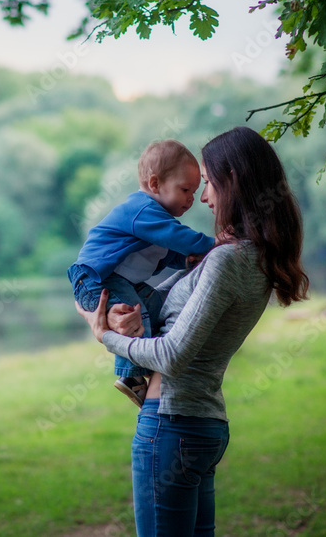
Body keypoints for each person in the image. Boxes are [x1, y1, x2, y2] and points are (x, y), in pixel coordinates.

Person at [76, 126, 309, 537]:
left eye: (208, 183)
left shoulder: (226, 260)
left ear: (232, 182)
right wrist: (119, 317)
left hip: (172, 425)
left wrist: (107, 337)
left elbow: (171, 356)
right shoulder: (253, 257)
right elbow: (160, 302)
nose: (203, 197)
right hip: (203, 425)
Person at [68, 139, 217, 407]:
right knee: (137, 313)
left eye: (194, 191)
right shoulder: (142, 210)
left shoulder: (154, 219)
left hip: (119, 281)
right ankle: (132, 376)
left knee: (157, 306)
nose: (192, 199)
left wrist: (188, 259)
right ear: (155, 184)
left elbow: (167, 252)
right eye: (185, 189)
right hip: (95, 280)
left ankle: (151, 357)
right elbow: (178, 237)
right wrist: (215, 245)